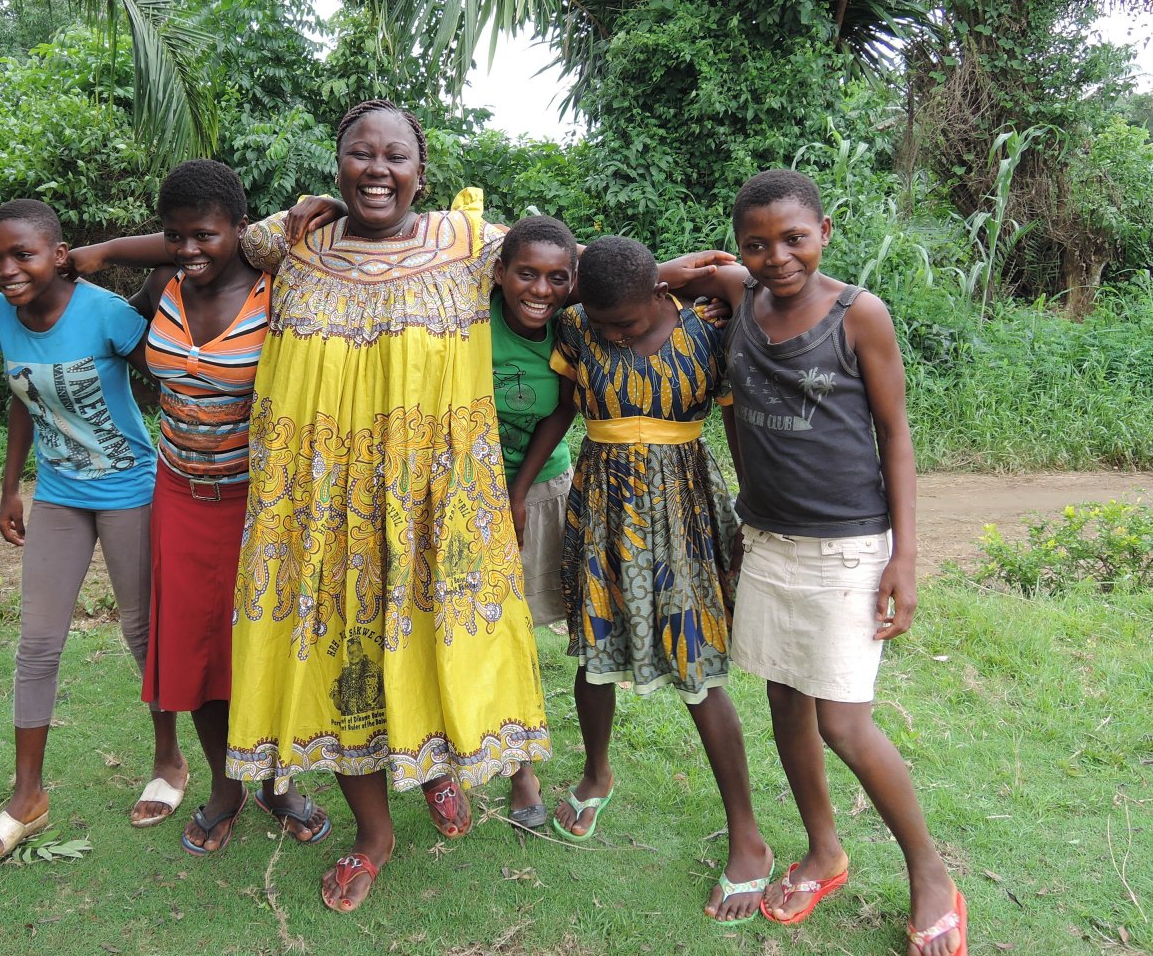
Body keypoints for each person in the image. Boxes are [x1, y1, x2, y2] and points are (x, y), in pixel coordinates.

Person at [226, 100, 552, 913]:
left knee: (437, 639)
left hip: (432, 503)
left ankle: (437, 767)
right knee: (342, 659)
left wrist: (694, 277)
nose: (378, 169)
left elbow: (565, 268)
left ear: (422, 168)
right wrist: (300, 211)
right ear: (335, 164)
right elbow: (228, 242)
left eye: (395, 155)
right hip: (322, 509)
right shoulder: (296, 242)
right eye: (359, 154)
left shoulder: (471, 243)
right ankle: (374, 833)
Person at [690, 169, 967, 956]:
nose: (777, 257)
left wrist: (904, 558)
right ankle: (824, 851)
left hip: (849, 544)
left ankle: (931, 875)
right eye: (756, 244)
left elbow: (897, 437)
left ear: (826, 234)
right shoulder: (743, 297)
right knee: (786, 701)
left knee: (843, 720)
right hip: (769, 542)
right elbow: (662, 275)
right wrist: (709, 270)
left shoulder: (859, 316)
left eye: (794, 239)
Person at [70, 161, 334, 856]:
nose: (189, 249)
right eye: (176, 236)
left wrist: (322, 202)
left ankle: (278, 784)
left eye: (205, 236)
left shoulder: (280, 294)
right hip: (181, 497)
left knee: (261, 650)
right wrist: (91, 261)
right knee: (198, 655)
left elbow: (328, 217)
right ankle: (226, 785)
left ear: (242, 233)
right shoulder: (163, 287)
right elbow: (116, 327)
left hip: (261, 505)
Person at [514, 235, 774, 921]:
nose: (613, 333)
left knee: (698, 663)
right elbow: (565, 408)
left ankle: (747, 836)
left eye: (624, 322)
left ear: (661, 295)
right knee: (593, 651)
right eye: (603, 323)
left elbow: (739, 424)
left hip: (683, 510)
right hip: (600, 507)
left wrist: (752, 507)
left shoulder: (706, 333)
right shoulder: (577, 325)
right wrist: (518, 488)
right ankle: (597, 773)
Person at [0, 199, 179, 864]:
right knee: (37, 641)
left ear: (59, 255)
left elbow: (177, 267)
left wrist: (111, 251)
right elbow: (20, 396)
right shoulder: (3, 314)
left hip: (130, 491)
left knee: (142, 632)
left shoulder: (103, 313)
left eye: (22, 254)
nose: (6, 269)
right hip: (59, 492)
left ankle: (170, 763)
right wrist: (10, 485)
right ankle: (27, 795)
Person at [487, 215, 577, 831]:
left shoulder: (572, 329)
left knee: (516, 627)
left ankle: (522, 765)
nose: (540, 290)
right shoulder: (469, 313)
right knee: (466, 621)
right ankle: (447, 756)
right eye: (526, 274)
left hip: (538, 484)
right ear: (499, 273)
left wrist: (517, 491)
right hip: (461, 488)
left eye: (556, 278)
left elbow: (562, 410)